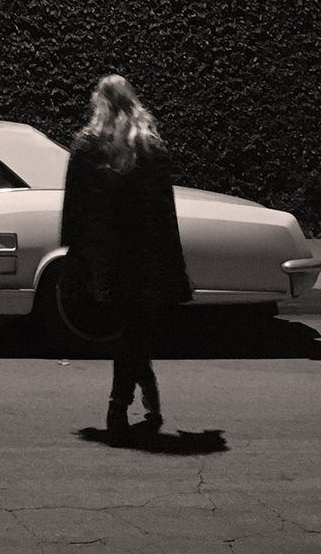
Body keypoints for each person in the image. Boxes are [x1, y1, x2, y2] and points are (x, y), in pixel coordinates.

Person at [60, 74, 192, 445]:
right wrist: (174, 262)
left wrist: (74, 254)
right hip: (144, 253)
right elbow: (164, 211)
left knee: (129, 331)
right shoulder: (151, 146)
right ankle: (124, 405)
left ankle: (136, 401)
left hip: (105, 254)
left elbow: (75, 207)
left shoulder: (87, 146)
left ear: (99, 104)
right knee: (137, 330)